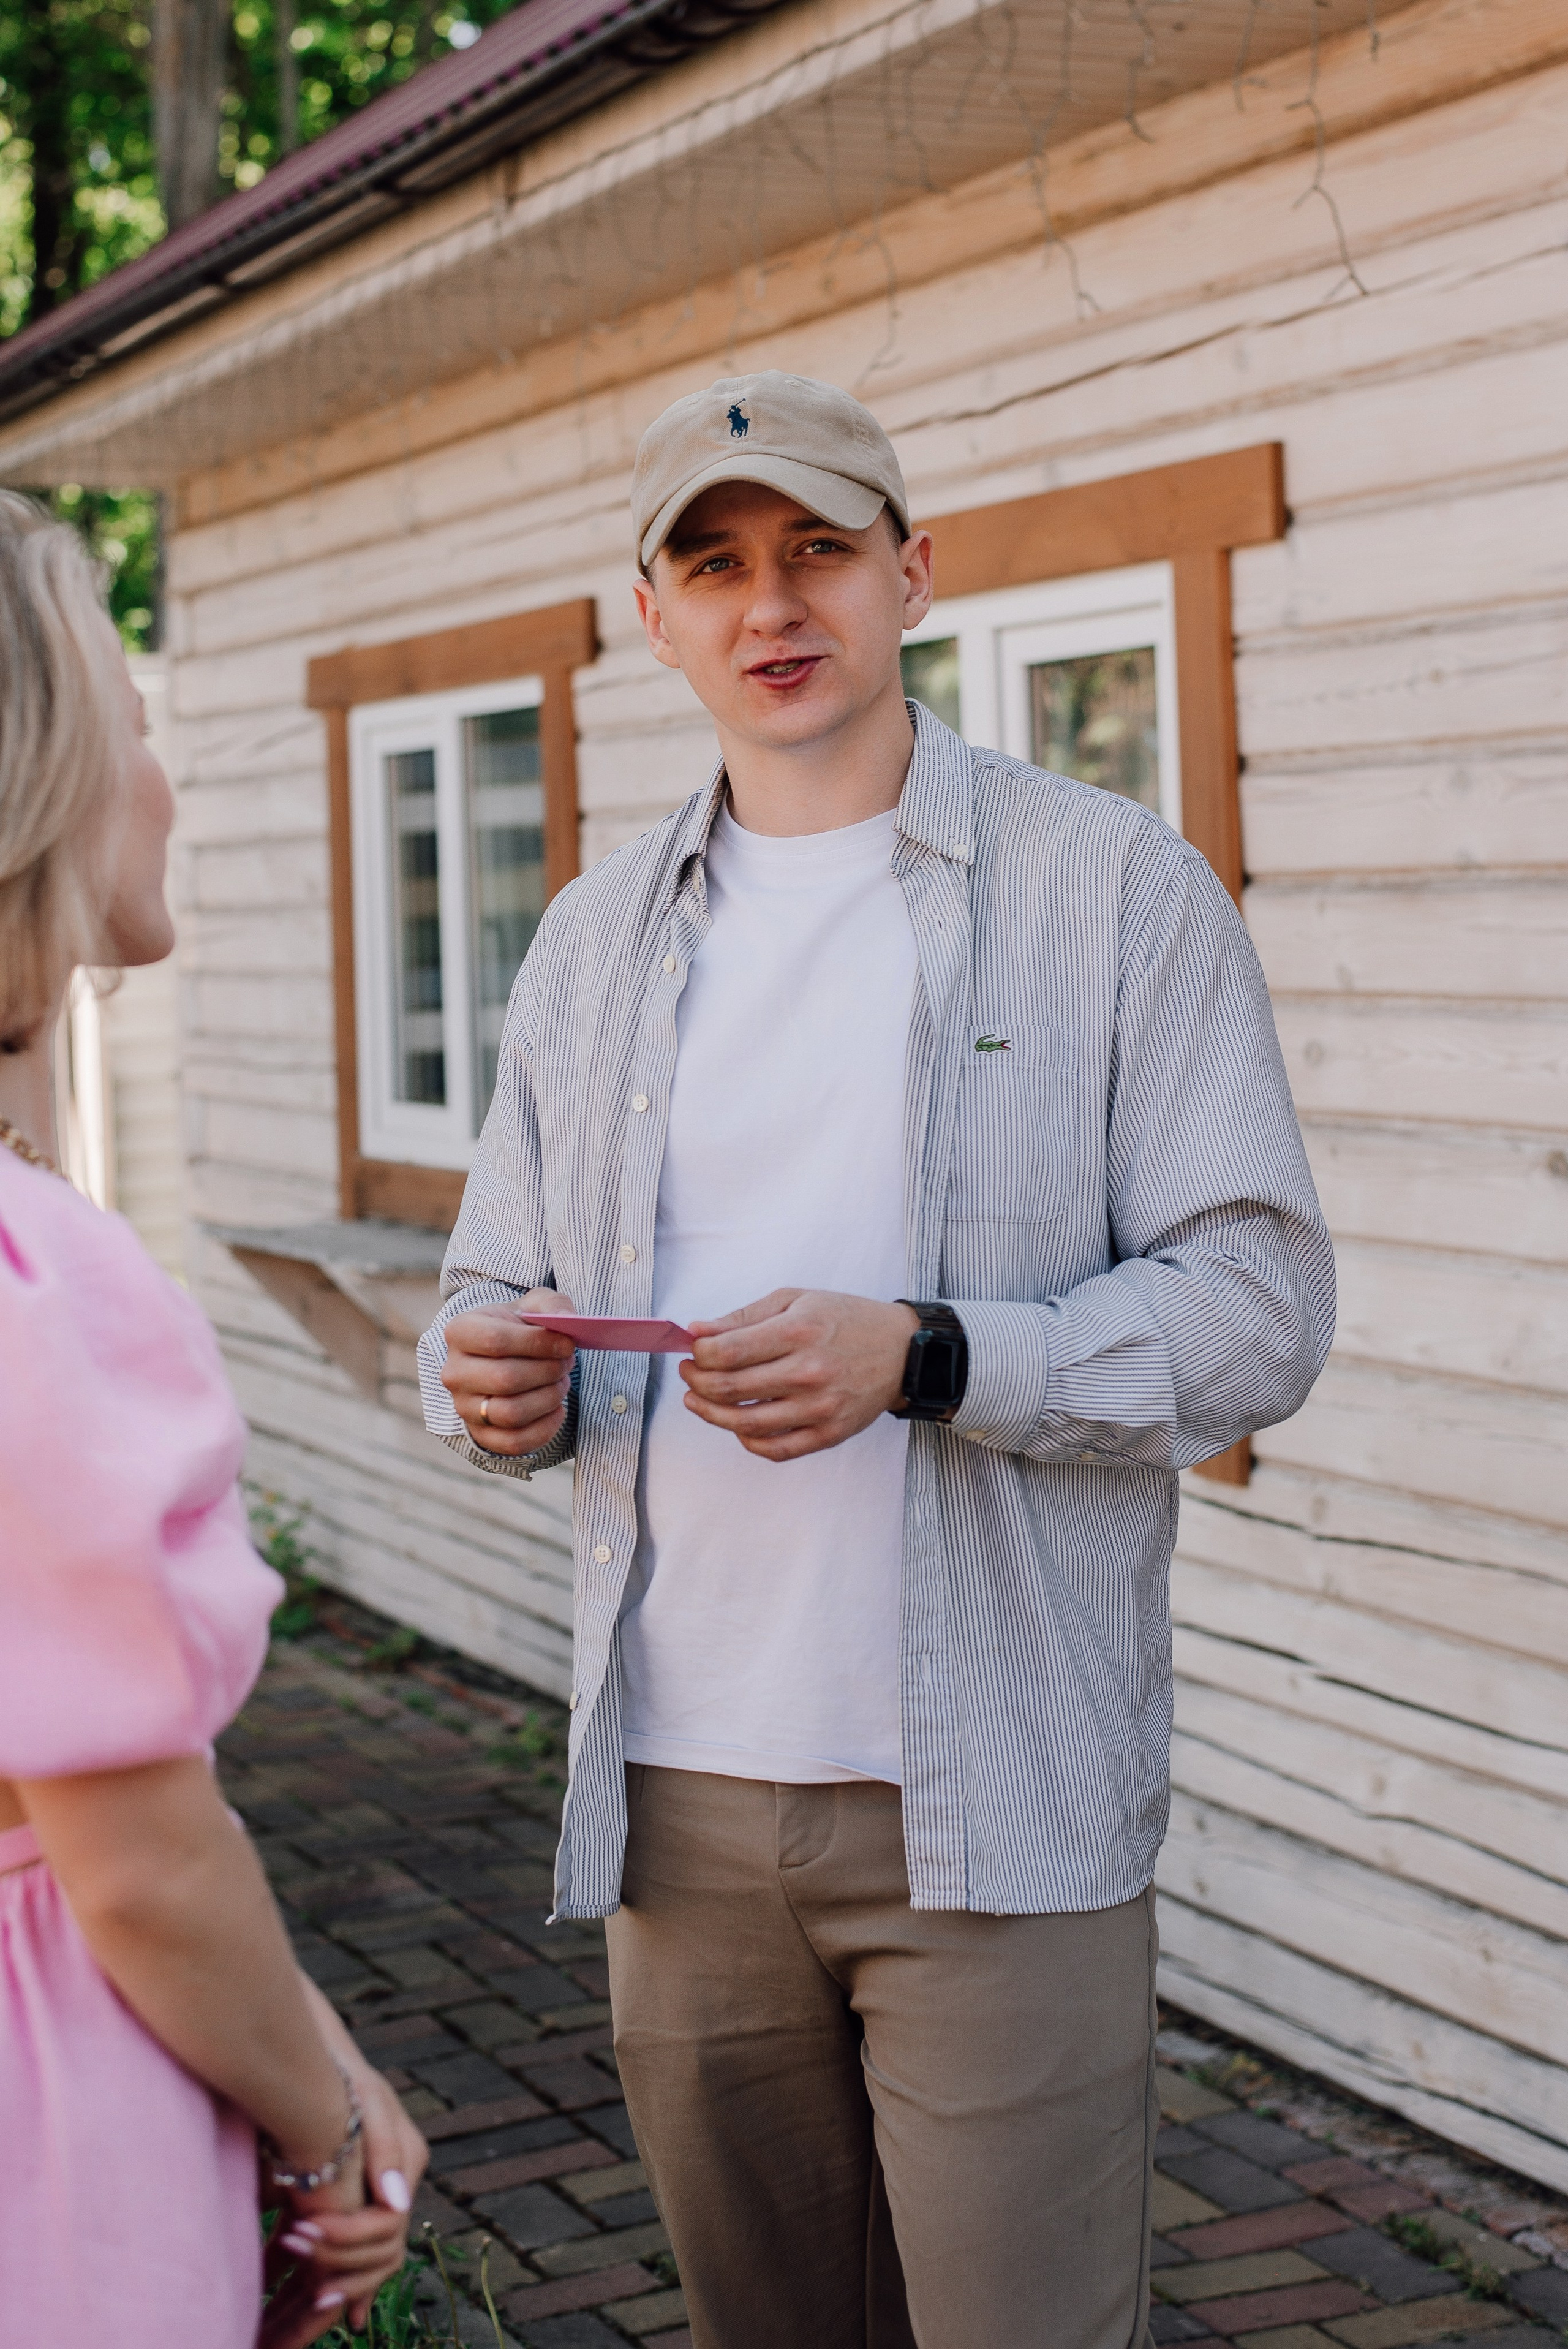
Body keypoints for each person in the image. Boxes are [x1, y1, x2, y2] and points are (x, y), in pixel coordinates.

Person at [418, 371, 1335, 2347]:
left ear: (915, 572)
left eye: (820, 547)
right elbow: (489, 1279)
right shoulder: (588, 942)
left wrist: (931, 1356)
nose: (775, 603)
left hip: (994, 1800)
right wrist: (484, 1372)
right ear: (651, 614)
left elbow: (1259, 1310)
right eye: (718, 561)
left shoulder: (1119, 896)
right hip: (676, 1794)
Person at [0, 494, 428, 2349]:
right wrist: (334, 2121)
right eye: (142, 725)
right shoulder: (39, 1285)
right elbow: (143, 1860)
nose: (168, 781)